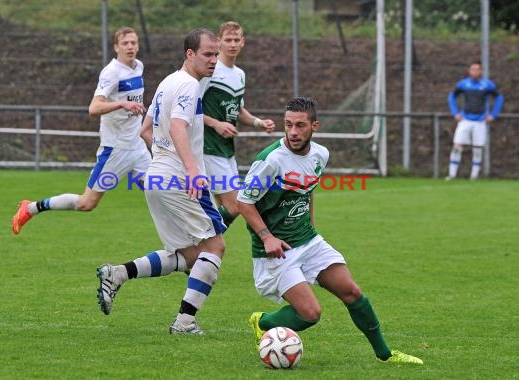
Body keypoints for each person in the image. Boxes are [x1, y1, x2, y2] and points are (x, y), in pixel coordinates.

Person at [238, 96, 423, 364]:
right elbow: (244, 202)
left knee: (353, 292)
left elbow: (308, 190)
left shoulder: (320, 155)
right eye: (288, 124)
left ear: (315, 126)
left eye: (300, 125)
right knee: (310, 314)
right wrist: (267, 237)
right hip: (277, 252)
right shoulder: (270, 161)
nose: (292, 132)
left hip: (308, 241)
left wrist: (311, 227)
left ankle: (386, 354)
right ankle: (263, 321)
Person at [96, 28, 226, 335]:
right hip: (179, 180)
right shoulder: (190, 86)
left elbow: (145, 130)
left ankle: (117, 274)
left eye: (216, 54)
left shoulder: (168, 82)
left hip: (156, 177)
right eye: (208, 54)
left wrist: (164, 157)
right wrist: (192, 170)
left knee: (192, 254)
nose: (214, 60)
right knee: (216, 246)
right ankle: (185, 322)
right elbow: (179, 126)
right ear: (190, 54)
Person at [12, 26, 151, 235]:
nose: (130, 47)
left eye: (133, 42)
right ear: (116, 47)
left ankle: (188, 252)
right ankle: (31, 208)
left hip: (138, 149)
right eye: (125, 43)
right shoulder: (111, 73)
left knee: (160, 193)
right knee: (87, 203)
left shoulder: (138, 67)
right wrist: (121, 104)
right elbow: (94, 108)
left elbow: (133, 101)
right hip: (116, 151)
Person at [200, 21, 275, 228]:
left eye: (236, 40)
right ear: (219, 42)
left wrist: (258, 122)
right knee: (236, 205)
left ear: (243, 42)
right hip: (208, 147)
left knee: (223, 208)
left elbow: (238, 109)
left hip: (226, 150)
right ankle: (201, 241)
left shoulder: (239, 74)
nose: (232, 44)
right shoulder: (210, 70)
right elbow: (190, 108)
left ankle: (206, 248)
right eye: (228, 40)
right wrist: (216, 124)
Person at [446, 61, 504, 180]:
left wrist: (493, 115)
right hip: (465, 120)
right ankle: (452, 174)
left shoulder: (487, 85)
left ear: (481, 71)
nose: (475, 72)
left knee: (477, 148)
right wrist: (455, 112)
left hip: (480, 121)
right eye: (473, 69)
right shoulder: (463, 84)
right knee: (457, 146)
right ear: (469, 71)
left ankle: (474, 176)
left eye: (477, 69)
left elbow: (499, 97)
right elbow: (452, 96)